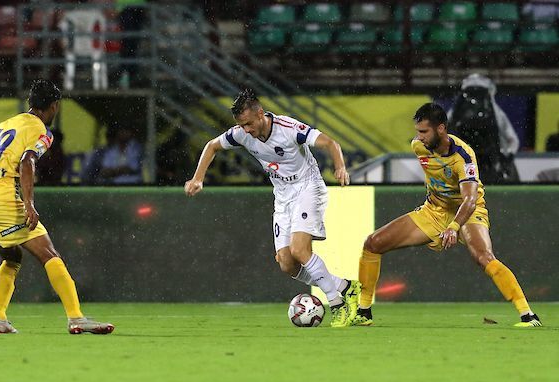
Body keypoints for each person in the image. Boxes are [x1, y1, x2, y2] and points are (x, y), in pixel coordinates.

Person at [351, 103, 541, 328]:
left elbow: (469, 199)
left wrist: (453, 227)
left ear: (441, 129)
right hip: (434, 211)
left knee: (483, 256)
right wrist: (438, 224)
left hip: (468, 211)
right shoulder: (418, 147)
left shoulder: (464, 156)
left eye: (424, 132)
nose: (418, 137)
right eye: (417, 131)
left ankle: (527, 315)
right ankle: (364, 312)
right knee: (373, 243)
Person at [184, 88, 359, 327]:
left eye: (248, 124)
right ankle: (345, 286)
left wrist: (340, 167)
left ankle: (337, 304)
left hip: (308, 187)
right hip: (283, 197)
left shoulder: (288, 128)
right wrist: (198, 178)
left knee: (300, 250)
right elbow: (212, 146)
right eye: (241, 126)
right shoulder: (242, 135)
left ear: (259, 114)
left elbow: (330, 143)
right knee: (287, 263)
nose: (246, 130)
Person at [0, 79, 114, 334]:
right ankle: (76, 317)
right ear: (54, 106)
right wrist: (28, 203)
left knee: (12, 257)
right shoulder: (42, 131)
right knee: (49, 254)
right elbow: (27, 160)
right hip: (2, 202)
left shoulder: (5, 125)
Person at [448, 74, 520, 183]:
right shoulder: (497, 114)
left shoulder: (497, 115)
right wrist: (507, 157)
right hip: (484, 165)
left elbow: (512, 141)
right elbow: (513, 141)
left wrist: (506, 158)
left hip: (479, 165)